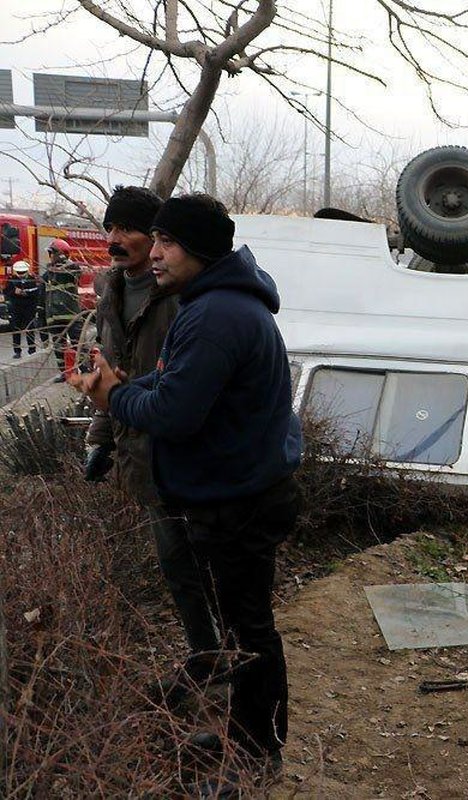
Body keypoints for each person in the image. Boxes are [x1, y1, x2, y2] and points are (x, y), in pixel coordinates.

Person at [70, 194, 302, 783]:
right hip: (234, 491)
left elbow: (175, 413)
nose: (157, 256)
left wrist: (112, 397)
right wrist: (127, 386)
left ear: (197, 249)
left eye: (167, 243)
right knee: (238, 626)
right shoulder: (213, 305)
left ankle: (256, 754)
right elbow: (180, 387)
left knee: (249, 631)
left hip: (239, 500)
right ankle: (244, 733)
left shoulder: (216, 315)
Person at [84, 186, 222, 681]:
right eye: (110, 229)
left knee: (209, 565)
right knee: (175, 566)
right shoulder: (110, 290)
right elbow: (109, 369)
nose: (115, 240)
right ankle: (206, 657)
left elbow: (194, 385)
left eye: (128, 230)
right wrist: (100, 438)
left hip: (184, 451)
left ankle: (234, 664)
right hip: (138, 446)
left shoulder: (185, 297)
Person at [42, 238, 83, 381]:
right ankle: (65, 373)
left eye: (52, 253)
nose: (50, 256)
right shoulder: (47, 275)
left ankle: (85, 369)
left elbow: (75, 271)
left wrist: (56, 266)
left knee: (79, 344)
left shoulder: (72, 268)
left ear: (60, 254)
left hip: (71, 316)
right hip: (53, 317)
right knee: (59, 347)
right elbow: (43, 295)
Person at [4, 260, 41, 358]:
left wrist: (26, 293)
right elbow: (6, 292)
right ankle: (17, 351)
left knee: (30, 329)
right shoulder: (11, 280)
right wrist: (14, 292)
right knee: (16, 329)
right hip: (16, 308)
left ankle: (32, 350)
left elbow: (37, 293)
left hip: (29, 308)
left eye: (23, 272)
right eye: (19, 273)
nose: (21, 275)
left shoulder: (32, 280)